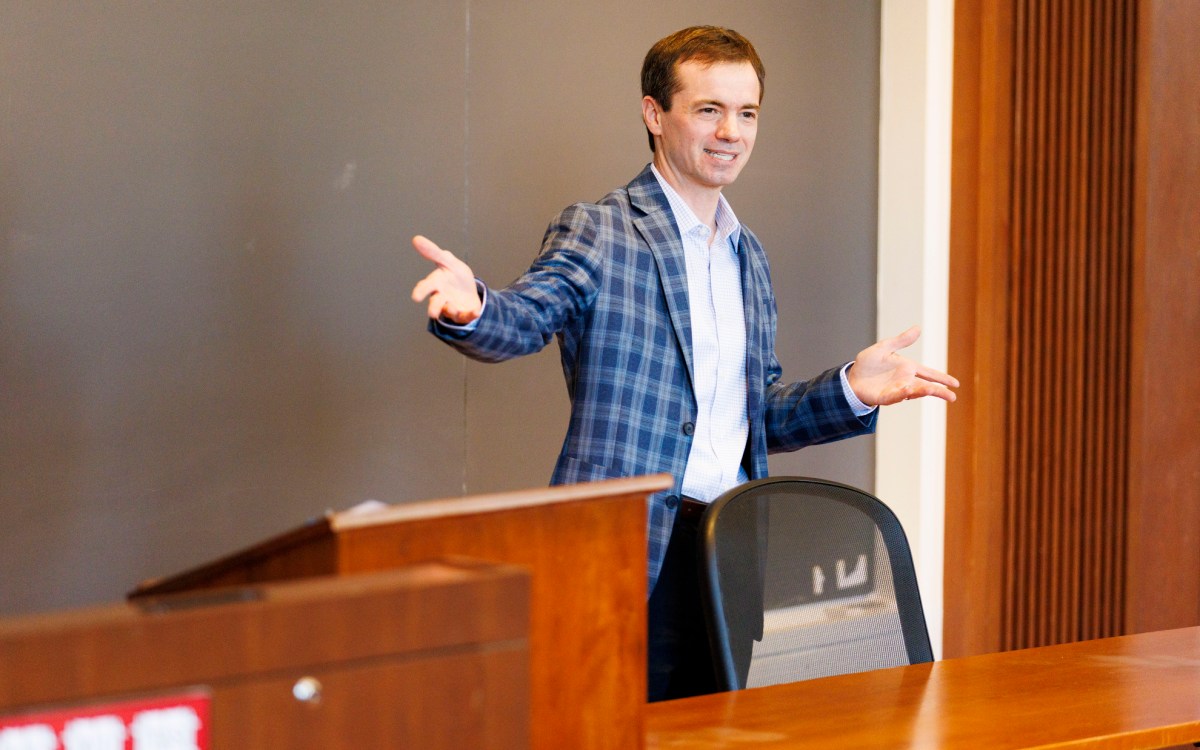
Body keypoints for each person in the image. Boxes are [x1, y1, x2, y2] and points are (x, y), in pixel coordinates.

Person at [410, 25, 958, 701]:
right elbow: (525, 318)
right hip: (621, 555)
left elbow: (754, 418)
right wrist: (474, 309)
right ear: (654, 113)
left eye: (747, 113)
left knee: (719, 736)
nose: (731, 132)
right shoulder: (601, 229)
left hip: (728, 555)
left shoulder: (747, 255)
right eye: (709, 109)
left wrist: (851, 390)